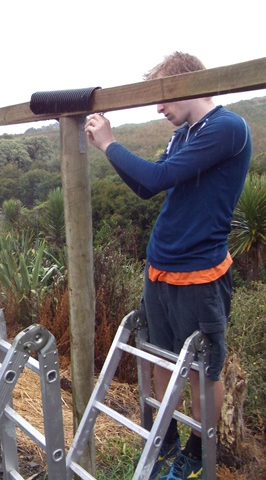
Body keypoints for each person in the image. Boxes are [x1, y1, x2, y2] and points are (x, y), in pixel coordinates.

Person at [85, 52, 252, 480]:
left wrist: (108, 143)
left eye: (163, 96)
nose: (159, 107)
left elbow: (157, 179)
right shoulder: (183, 135)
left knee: (202, 371)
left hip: (199, 272)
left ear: (188, 84)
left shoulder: (227, 128)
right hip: (159, 266)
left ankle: (195, 453)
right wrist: (109, 149)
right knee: (161, 359)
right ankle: (167, 441)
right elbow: (147, 187)